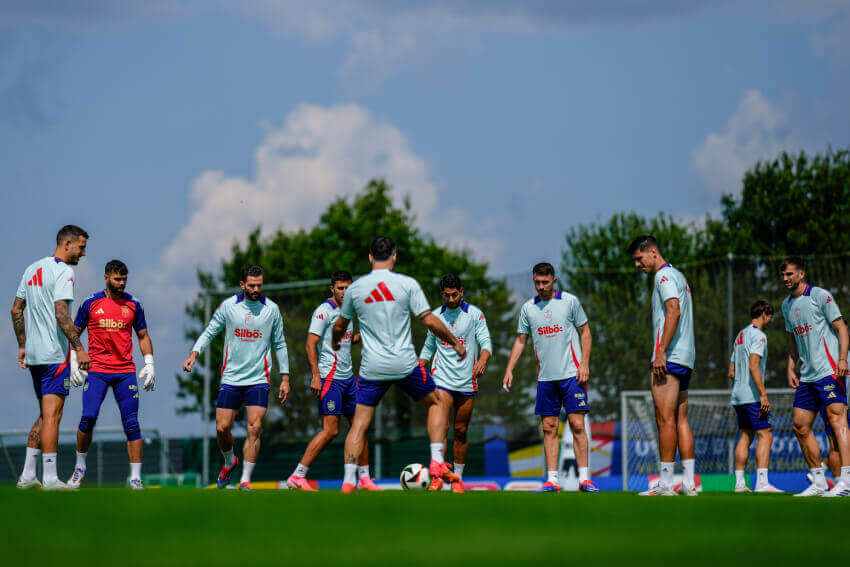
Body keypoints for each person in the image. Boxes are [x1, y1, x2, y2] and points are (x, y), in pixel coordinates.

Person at [333, 236, 466, 493]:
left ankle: (349, 481)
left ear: (370, 258)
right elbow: (429, 321)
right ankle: (437, 463)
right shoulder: (407, 284)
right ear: (394, 257)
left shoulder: (356, 289)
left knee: (359, 422)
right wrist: (454, 343)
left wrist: (336, 341)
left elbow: (341, 325)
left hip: (372, 367)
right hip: (406, 364)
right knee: (437, 402)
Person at [183, 265, 290, 491]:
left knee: (254, 427)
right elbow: (210, 330)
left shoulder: (272, 309)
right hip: (231, 378)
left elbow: (280, 343)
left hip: (259, 379)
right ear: (242, 285)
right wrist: (194, 353)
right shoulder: (229, 306)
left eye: (259, 285)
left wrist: (285, 377)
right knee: (222, 428)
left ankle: (245, 480)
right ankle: (230, 461)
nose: (256, 289)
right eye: (251, 285)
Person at [503, 262, 598, 493]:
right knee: (549, 427)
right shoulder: (528, 308)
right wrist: (509, 369)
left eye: (545, 282)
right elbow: (521, 340)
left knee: (577, 425)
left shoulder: (570, 301)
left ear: (554, 280)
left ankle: (584, 479)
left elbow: (585, 332)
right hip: (546, 379)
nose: (541, 286)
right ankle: (552, 480)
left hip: (572, 375)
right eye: (537, 282)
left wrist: (584, 363)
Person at [12, 225, 90, 490]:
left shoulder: (32, 269)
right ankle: (50, 478)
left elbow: (15, 310)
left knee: (45, 415)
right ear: (66, 244)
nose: (83, 253)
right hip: (55, 356)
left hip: (34, 354)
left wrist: (23, 345)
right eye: (81, 247)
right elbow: (61, 312)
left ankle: (27, 475)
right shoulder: (63, 272)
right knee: (53, 415)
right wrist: (79, 347)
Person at [287, 271, 380, 491]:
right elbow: (311, 344)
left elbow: (347, 341)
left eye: (348, 287)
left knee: (360, 425)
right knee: (331, 431)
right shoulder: (323, 312)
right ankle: (297, 476)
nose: (345, 292)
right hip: (330, 379)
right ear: (332, 289)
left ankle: (365, 478)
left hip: (348, 378)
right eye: (340, 288)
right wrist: (316, 376)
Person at [66, 260, 155, 490]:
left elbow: (143, 335)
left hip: (125, 372)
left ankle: (136, 478)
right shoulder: (91, 303)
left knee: (132, 423)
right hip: (97, 370)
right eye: (117, 279)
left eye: (124, 279)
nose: (121, 283)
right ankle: (79, 468)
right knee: (89, 417)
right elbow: (74, 333)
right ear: (106, 277)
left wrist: (150, 362)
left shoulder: (134, 304)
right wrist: (75, 361)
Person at [628, 235, 696, 496]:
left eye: (639, 258)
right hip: (686, 355)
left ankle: (666, 483)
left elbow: (673, 310)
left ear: (653, 252)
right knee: (680, 419)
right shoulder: (679, 275)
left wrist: (661, 351)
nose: (637, 265)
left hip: (669, 357)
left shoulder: (663, 277)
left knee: (664, 418)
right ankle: (688, 483)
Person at [780, 256, 850, 497]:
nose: (785, 278)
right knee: (800, 425)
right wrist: (791, 367)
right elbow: (792, 339)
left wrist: (842, 358)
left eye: (790, 274)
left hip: (829, 370)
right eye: (783, 275)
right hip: (807, 376)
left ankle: (846, 481)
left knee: (836, 420)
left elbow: (841, 327)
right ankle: (819, 481)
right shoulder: (786, 305)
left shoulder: (820, 296)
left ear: (801, 274)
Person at [418, 273, 492, 493]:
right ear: (442, 295)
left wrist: (482, 360)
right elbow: (429, 347)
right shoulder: (435, 316)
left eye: (454, 295)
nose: (450, 300)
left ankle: (457, 479)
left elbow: (486, 341)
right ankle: (437, 476)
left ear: (461, 292)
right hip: (441, 378)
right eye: (446, 296)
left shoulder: (475, 314)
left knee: (461, 430)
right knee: (442, 427)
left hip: (467, 381)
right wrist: (419, 366)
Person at [729, 300, 781, 493]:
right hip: (752, 395)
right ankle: (762, 483)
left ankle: (740, 484)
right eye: (770, 317)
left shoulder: (740, 335)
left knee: (745, 435)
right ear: (764, 315)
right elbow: (753, 366)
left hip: (737, 395)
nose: (770, 321)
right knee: (765, 435)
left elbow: (731, 369)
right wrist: (763, 394)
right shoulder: (759, 336)